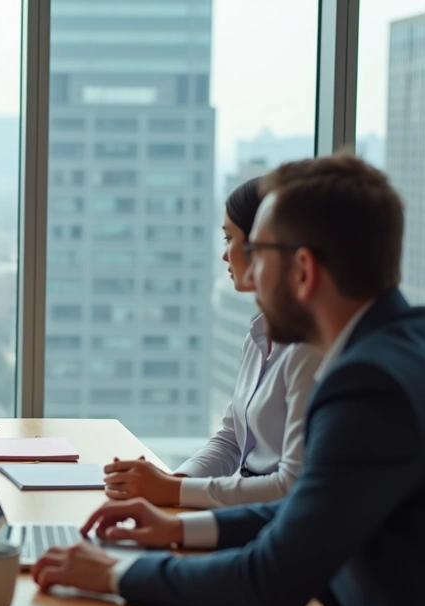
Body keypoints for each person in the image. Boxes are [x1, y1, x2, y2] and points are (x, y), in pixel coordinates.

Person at [31, 155, 425, 606]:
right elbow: (313, 510)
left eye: (260, 252)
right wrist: (178, 528)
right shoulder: (411, 345)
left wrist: (111, 573)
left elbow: (269, 584)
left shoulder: (374, 387)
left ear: (303, 271)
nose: (247, 273)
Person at [102, 178, 322, 508]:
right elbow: (232, 439)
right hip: (241, 509)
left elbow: (291, 487)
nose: (225, 254)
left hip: (265, 523)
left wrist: (173, 493)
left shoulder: (307, 351)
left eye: (230, 238)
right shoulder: (260, 334)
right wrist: (173, 483)